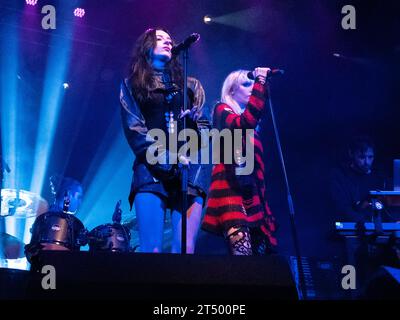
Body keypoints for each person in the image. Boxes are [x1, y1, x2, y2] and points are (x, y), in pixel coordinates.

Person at [120, 28, 210, 254]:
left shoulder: (192, 85)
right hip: (151, 168)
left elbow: (208, 132)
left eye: (170, 39)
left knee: (184, 250)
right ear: (146, 47)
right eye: (159, 39)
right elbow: (135, 131)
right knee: (151, 250)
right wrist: (169, 158)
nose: (167, 42)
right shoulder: (133, 84)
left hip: (190, 169)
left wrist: (196, 122)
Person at [201, 69, 277, 255]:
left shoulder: (254, 131)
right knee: (244, 262)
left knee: (262, 265)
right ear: (231, 91)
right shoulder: (221, 110)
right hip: (230, 192)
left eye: (252, 84)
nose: (252, 88)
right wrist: (260, 79)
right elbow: (245, 122)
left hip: (252, 196)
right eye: (246, 84)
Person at [329, 136, 388, 223]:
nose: (367, 162)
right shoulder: (340, 176)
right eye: (362, 157)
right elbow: (341, 207)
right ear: (351, 154)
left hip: (376, 226)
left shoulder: (380, 178)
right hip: (351, 225)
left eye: (370, 157)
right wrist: (363, 221)